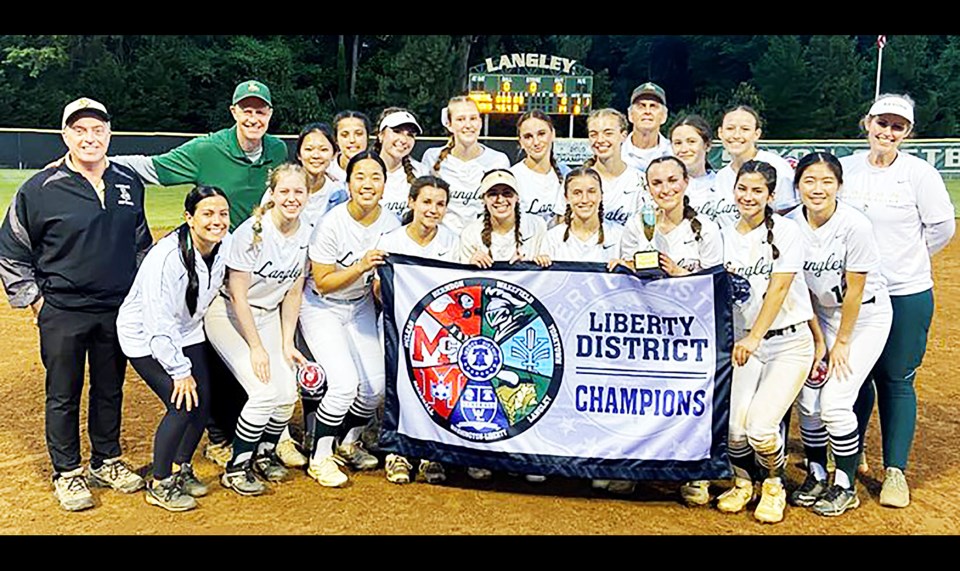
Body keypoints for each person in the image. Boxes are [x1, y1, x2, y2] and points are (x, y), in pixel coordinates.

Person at [106, 80, 289, 467]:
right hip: (208, 265)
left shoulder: (276, 150)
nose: (254, 117)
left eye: (261, 110)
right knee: (212, 360)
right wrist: (92, 160)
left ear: (270, 116)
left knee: (228, 355)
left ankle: (254, 430)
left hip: (241, 266)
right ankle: (218, 438)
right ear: (234, 112)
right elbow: (150, 168)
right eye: (247, 109)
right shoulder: (207, 149)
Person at [0, 97, 151, 511]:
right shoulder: (39, 188)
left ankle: (107, 460)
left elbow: (141, 246)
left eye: (97, 129)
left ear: (109, 133)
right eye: (80, 130)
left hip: (115, 307)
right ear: (65, 135)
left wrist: (137, 299)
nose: (90, 138)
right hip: (63, 310)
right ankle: (67, 472)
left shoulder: (127, 182)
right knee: (63, 392)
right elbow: (12, 250)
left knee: (110, 388)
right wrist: (35, 303)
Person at [841, 94, 956, 508]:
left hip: (906, 291)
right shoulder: (849, 168)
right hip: (856, 293)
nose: (887, 132)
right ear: (866, 123)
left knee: (896, 378)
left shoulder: (919, 173)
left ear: (906, 133)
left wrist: (906, 259)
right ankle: (851, 460)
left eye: (897, 126)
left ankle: (895, 471)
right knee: (853, 377)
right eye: (881, 123)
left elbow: (941, 228)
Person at [607, 156, 723, 499]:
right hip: (647, 331)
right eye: (657, 183)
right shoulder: (636, 224)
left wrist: (679, 275)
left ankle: (694, 474)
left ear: (686, 183)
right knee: (640, 401)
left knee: (691, 405)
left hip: (692, 333)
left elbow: (717, 286)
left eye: (673, 180)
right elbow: (627, 277)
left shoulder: (706, 228)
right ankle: (634, 467)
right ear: (647, 188)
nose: (665, 189)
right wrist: (620, 268)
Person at [786, 152, 893, 517]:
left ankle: (845, 484)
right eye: (809, 181)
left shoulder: (854, 225)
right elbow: (800, 292)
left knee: (834, 401)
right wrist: (819, 342)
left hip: (864, 319)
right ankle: (816, 473)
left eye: (827, 181)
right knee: (809, 404)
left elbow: (856, 289)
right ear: (798, 185)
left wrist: (841, 343)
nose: (817, 189)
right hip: (820, 319)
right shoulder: (789, 225)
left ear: (839, 186)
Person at [117, 186, 231, 512]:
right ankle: (161, 482)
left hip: (188, 331)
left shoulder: (224, 245)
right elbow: (158, 323)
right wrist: (179, 371)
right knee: (182, 403)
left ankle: (182, 467)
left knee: (203, 401)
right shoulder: (165, 259)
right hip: (145, 337)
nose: (217, 220)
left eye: (222, 213)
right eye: (207, 213)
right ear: (189, 218)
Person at [205, 165, 311, 496]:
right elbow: (237, 294)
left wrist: (286, 342)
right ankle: (237, 466)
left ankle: (264, 453)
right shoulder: (253, 231)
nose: (291, 198)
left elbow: (293, 291)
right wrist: (256, 347)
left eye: (298, 192)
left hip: (268, 316)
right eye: (285, 191)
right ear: (273, 194)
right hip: (229, 315)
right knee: (264, 393)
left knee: (286, 395)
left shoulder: (306, 232)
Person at [718, 160, 814, 524]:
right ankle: (743, 481)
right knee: (734, 430)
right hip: (746, 344)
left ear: (771, 196)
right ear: (734, 191)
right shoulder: (724, 233)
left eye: (758, 190)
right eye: (743, 188)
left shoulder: (787, 232)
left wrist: (755, 336)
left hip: (786, 343)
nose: (748, 196)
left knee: (761, 427)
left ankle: (774, 483)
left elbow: (779, 288)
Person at [302, 150, 401, 487]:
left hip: (359, 306)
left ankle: (347, 442)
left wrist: (376, 286)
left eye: (376, 177)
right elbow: (324, 282)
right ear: (348, 183)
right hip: (321, 305)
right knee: (344, 384)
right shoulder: (332, 222)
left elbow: (380, 284)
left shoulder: (390, 224)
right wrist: (359, 266)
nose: (368, 184)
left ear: (385, 187)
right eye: (360, 177)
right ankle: (319, 456)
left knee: (375, 388)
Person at [458, 169, 548, 482]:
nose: (500, 199)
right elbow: (456, 286)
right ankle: (481, 452)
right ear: (483, 199)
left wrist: (539, 262)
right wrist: (469, 264)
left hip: (527, 319)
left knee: (526, 384)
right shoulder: (471, 233)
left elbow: (549, 271)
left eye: (506, 193)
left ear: (517, 197)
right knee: (485, 383)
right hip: (484, 321)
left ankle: (524, 454)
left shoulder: (536, 227)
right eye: (493, 194)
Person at [271, 122, 346, 468]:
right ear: (299, 152)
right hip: (283, 287)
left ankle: (315, 433)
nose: (316, 155)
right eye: (309, 148)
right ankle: (282, 437)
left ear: (334, 153)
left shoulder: (340, 190)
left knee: (314, 362)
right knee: (286, 359)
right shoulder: (288, 186)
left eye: (323, 149)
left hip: (318, 291)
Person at [374, 175, 456, 485]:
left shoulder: (452, 241)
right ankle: (398, 453)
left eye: (440, 204)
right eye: (426, 202)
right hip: (398, 327)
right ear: (412, 202)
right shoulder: (391, 240)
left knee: (440, 387)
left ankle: (430, 453)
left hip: (442, 334)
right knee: (399, 386)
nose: (433, 209)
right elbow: (378, 293)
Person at [422, 96, 511, 234]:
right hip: (442, 242)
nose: (468, 125)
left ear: (480, 122)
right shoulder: (431, 158)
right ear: (449, 124)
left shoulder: (498, 160)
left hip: (482, 243)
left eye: (473, 118)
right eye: (460, 119)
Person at [552, 109, 648, 228]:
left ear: (623, 135)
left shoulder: (640, 180)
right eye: (594, 134)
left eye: (608, 133)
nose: (600, 140)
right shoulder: (574, 180)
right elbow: (561, 225)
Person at [713, 105, 797, 217]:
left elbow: (790, 213)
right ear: (720, 133)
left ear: (757, 134)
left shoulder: (777, 166)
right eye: (730, 128)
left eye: (745, 129)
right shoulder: (720, 177)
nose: (736, 135)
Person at [540, 167, 622, 264]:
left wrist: (627, 266)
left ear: (601, 195)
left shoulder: (619, 235)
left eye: (591, 191)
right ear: (566, 198)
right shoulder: (553, 238)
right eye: (577, 193)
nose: (584, 200)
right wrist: (541, 263)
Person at [669, 115, 735, 228]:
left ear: (707, 145)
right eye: (678, 143)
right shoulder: (664, 187)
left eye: (691, 141)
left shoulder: (724, 183)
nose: (684, 149)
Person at [510, 110, 568, 224]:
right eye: (528, 137)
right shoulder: (512, 178)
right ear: (520, 142)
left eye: (541, 134)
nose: (536, 142)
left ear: (553, 134)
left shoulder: (567, 174)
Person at [374, 108, 428, 219]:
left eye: (410, 135)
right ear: (381, 135)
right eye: (397, 131)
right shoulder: (364, 170)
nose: (404, 139)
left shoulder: (421, 172)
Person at [621, 82, 673, 171]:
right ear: (630, 115)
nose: (647, 111)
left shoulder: (674, 152)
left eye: (653, 106)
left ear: (664, 116)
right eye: (641, 106)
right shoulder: (617, 152)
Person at [327, 111, 372, 184]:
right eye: (345, 135)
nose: (352, 140)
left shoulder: (379, 169)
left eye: (358, 134)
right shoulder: (326, 171)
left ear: (367, 137)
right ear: (336, 139)